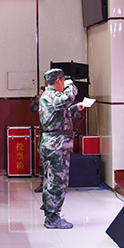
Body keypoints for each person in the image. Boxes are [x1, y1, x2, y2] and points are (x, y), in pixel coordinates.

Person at [38, 68, 83, 229]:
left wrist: (74, 110)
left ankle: (51, 212)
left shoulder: (51, 97)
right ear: (58, 81)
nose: (65, 83)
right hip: (56, 144)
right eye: (63, 80)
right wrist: (72, 85)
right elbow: (66, 99)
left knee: (52, 179)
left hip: (55, 142)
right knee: (57, 181)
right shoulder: (51, 96)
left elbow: (56, 115)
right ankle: (52, 217)